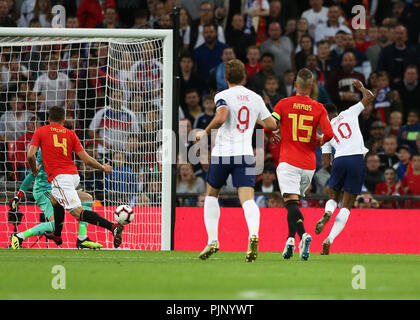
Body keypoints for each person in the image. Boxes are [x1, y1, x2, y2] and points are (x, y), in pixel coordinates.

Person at [195, 59, 277, 262]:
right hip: (245, 155)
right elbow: (271, 123)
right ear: (244, 76)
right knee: (247, 199)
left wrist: (204, 132)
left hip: (223, 154)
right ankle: (253, 235)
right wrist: (262, 124)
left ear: (225, 78)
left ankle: (213, 240)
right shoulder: (256, 97)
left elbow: (222, 117)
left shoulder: (222, 95)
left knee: (212, 195)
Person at [25, 106, 124, 248]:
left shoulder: (41, 131)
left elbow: (30, 155)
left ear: (48, 119)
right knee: (55, 199)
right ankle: (57, 235)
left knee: (78, 213)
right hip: (73, 175)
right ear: (63, 121)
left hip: (60, 178)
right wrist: (102, 167)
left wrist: (34, 170)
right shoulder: (70, 133)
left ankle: (113, 227)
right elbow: (86, 159)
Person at [271, 67, 334, 261]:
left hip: (289, 161)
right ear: (312, 86)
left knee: (290, 203)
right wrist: (320, 140)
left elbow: (271, 124)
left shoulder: (283, 104)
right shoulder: (319, 108)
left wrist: (271, 132)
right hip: (308, 165)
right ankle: (290, 240)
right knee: (294, 202)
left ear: (296, 85)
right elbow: (330, 134)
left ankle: (304, 235)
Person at [315, 80, 375, 255]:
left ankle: (327, 212)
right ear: (336, 112)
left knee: (334, 197)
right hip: (356, 159)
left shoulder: (325, 131)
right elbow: (370, 97)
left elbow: (325, 163)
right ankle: (329, 240)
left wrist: (334, 175)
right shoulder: (349, 113)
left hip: (339, 160)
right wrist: (361, 88)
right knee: (347, 205)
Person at [9, 144, 103, 249]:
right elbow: (32, 174)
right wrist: (19, 195)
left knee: (87, 199)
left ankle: (82, 238)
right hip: (44, 190)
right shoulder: (44, 152)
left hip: (58, 188)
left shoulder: (61, 149)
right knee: (54, 224)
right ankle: (19, 236)